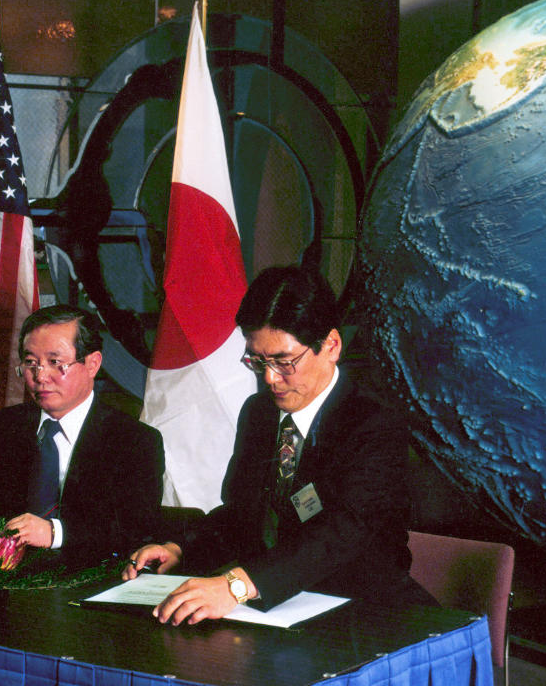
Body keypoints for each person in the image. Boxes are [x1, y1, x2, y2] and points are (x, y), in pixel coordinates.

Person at [124, 265, 432, 625]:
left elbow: (344, 532)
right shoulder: (259, 414)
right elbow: (240, 515)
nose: (270, 378)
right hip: (274, 607)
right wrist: (181, 548)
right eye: (257, 361)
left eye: (284, 362)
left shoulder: (374, 420)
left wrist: (237, 586)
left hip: (364, 609)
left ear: (331, 346)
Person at [0, 304, 164, 566]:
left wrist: (54, 532)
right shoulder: (12, 423)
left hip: (92, 576)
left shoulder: (134, 439)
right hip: (11, 572)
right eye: (31, 363)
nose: (40, 376)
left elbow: (137, 529)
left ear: (92, 364)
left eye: (55, 362)